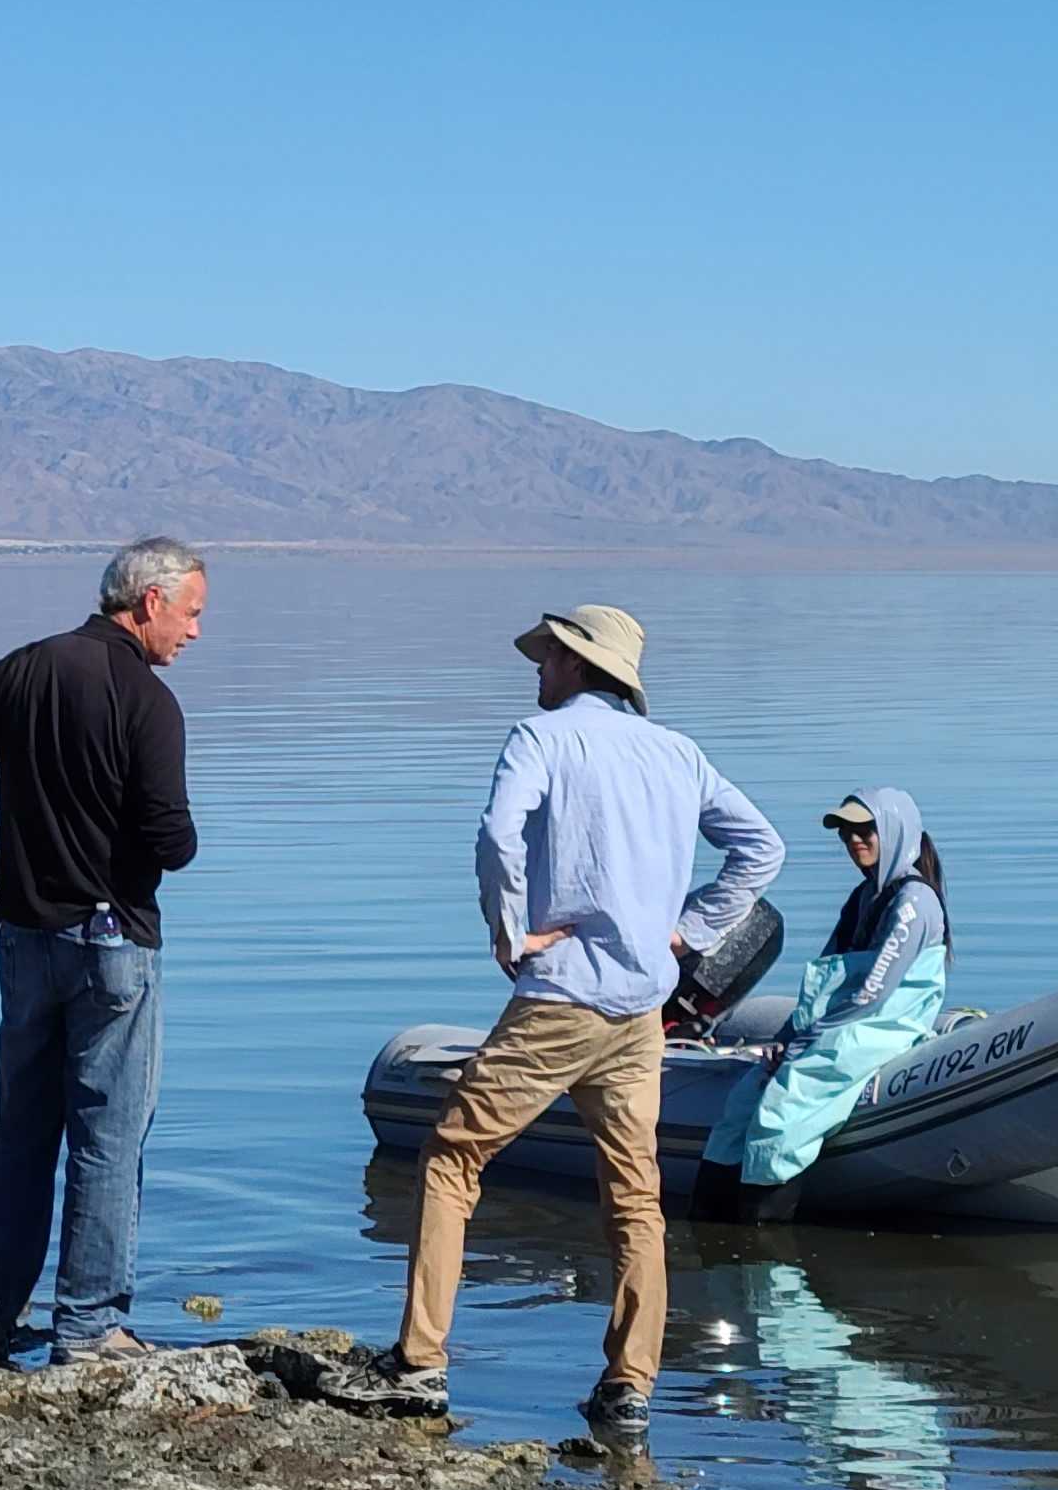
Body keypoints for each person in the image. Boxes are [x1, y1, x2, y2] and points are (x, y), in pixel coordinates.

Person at [380, 604, 782, 1438]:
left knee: (453, 1159)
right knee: (635, 1197)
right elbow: (762, 849)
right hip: (641, 1008)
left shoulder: (542, 738)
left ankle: (420, 1364)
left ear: (574, 664)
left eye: (548, 656)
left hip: (560, 997)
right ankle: (630, 1387)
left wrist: (509, 928)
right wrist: (691, 930)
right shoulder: (679, 753)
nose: (538, 668)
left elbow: (498, 836)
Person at [0, 534, 207, 1361]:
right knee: (109, 1139)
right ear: (149, 601)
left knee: (24, 1134)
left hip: (24, 939)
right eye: (190, 613)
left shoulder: (26, 667)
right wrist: (174, 839)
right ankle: (89, 1325)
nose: (194, 632)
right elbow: (172, 842)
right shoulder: (146, 702)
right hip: (112, 947)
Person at [694, 788, 950, 1222]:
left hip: (879, 1026)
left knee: (782, 1110)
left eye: (864, 829)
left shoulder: (914, 903)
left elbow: (873, 992)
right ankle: (706, 1222)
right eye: (847, 832)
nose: (854, 840)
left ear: (894, 829)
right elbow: (826, 977)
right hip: (843, 1023)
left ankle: (759, 1242)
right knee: (742, 1103)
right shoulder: (862, 898)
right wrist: (786, 1037)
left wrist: (804, 1044)